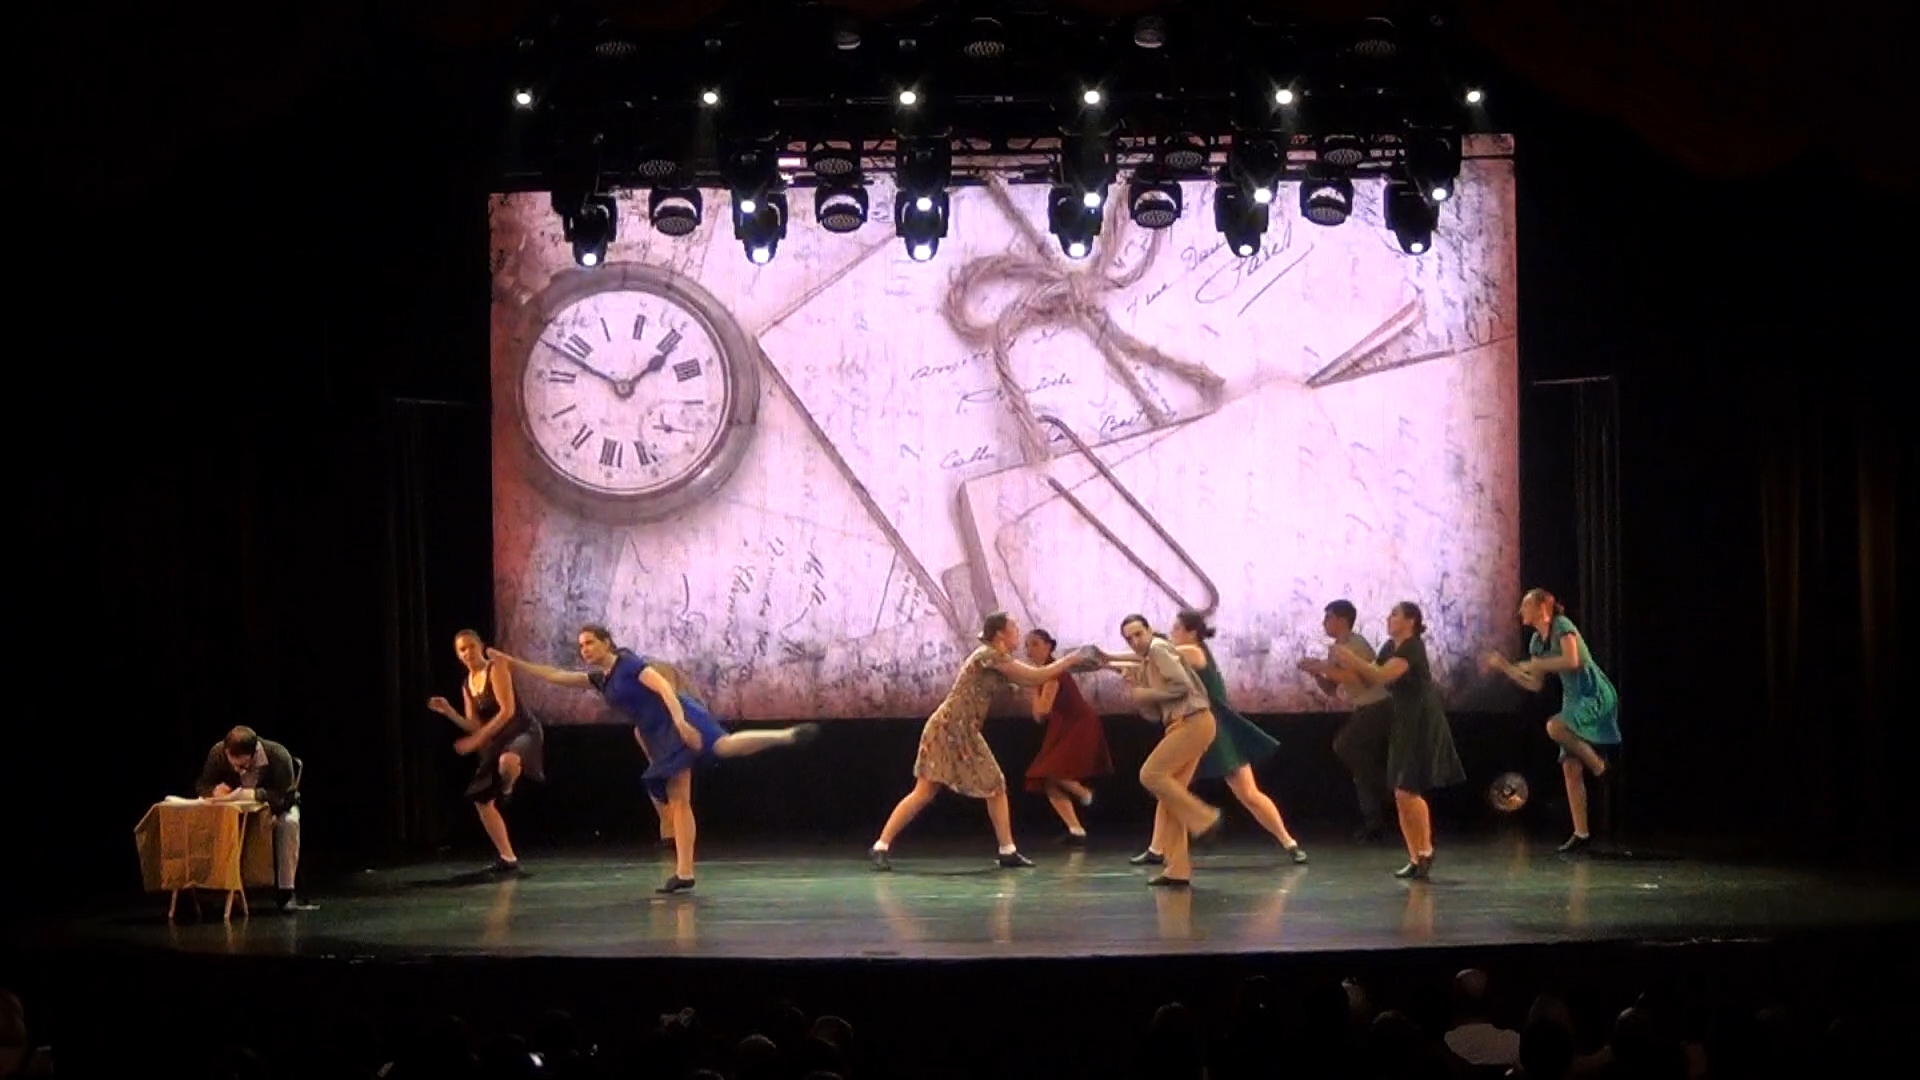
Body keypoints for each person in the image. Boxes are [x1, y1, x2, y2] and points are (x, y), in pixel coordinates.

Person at [491, 624, 819, 893]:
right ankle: (685, 872)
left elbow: (664, 689)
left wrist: (681, 723)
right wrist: (512, 662)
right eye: (581, 646)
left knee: (719, 750)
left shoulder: (629, 663)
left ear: (606, 643)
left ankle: (786, 736)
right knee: (683, 794)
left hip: (676, 717)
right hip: (657, 731)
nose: (584, 649)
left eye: (590, 643)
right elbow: (554, 675)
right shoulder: (600, 679)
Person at [870, 612, 1100, 871]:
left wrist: (1076, 664)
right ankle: (881, 845)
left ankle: (1007, 850)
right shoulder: (988, 655)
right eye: (1013, 629)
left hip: (963, 731)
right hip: (948, 728)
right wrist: (1070, 659)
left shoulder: (997, 659)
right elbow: (1036, 676)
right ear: (1000, 634)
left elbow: (1031, 678)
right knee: (927, 791)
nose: (1018, 634)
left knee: (994, 786)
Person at [1135, 610, 1307, 866]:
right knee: (1170, 789)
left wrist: (1109, 659)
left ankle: (1289, 842)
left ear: (1191, 632)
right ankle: (1156, 849)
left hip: (1216, 730)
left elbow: (1153, 655)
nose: (1172, 633)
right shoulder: (1180, 653)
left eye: (1176, 628)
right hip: (1194, 728)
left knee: (1248, 793)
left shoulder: (1193, 652)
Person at [1332, 602, 1465, 879]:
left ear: (1410, 621)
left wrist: (1351, 658)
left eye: (1395, 614)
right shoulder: (1389, 647)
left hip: (1420, 720)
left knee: (1408, 789)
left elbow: (1383, 674)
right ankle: (1415, 856)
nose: (1389, 618)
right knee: (1401, 792)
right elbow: (1372, 675)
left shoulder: (1412, 647)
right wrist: (1336, 668)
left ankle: (1425, 851)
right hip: (1402, 721)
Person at [1483, 587, 1622, 853]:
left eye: (1526, 605)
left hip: (1593, 694)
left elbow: (1573, 660)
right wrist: (1507, 668)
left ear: (1543, 606)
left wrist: (1534, 665)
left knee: (1555, 726)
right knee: (1570, 766)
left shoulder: (1562, 626)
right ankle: (1581, 833)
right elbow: (1535, 684)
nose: (1520, 610)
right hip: (1572, 700)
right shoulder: (1537, 642)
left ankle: (1600, 768)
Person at [1095, 614, 1226, 888]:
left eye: (1138, 634)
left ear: (1150, 630)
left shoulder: (1158, 649)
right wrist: (1137, 687)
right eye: (1129, 638)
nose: (1134, 641)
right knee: (1169, 800)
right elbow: (1153, 714)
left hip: (1193, 722)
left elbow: (1182, 686)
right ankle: (1178, 869)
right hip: (1184, 724)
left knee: (1150, 775)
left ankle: (1204, 818)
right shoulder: (1149, 661)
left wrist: (1147, 694)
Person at [426, 629, 546, 874]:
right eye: (462, 649)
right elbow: (474, 725)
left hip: (523, 730)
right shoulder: (467, 684)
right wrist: (449, 712)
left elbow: (507, 711)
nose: (468, 652)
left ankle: (507, 788)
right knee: (481, 800)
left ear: (481, 646)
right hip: (497, 738)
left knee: (507, 761)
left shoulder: (496, 668)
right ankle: (507, 857)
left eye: (471, 646)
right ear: (458, 655)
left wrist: (477, 740)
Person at [1299, 599, 1396, 840]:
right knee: (1360, 767)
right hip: (1364, 707)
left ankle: (1388, 789)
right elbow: (1331, 689)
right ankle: (1374, 821)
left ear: (1342, 620)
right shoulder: (1336, 649)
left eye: (1328, 617)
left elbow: (1361, 677)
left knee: (1346, 746)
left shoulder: (1355, 644)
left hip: (1379, 706)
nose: (1324, 623)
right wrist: (1316, 674)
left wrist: (1320, 667)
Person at [194, 725, 316, 911]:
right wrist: (213, 791)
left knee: (289, 823)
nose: (239, 771)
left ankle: (286, 891)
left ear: (254, 753)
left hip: (276, 809)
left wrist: (255, 795)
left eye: (244, 766)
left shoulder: (278, 755)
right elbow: (202, 785)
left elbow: (286, 797)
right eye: (234, 766)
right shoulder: (218, 754)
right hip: (235, 811)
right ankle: (218, 888)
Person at [1020, 628, 1113, 843]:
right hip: (1062, 726)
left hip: (1079, 724)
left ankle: (1085, 794)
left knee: (1047, 771)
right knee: (1045, 779)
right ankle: (1075, 829)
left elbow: (1043, 710)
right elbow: (1039, 718)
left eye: (1035, 644)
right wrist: (1033, 688)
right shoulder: (1042, 673)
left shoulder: (1053, 673)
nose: (1029, 650)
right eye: (1027, 645)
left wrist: (1032, 689)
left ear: (1048, 646)